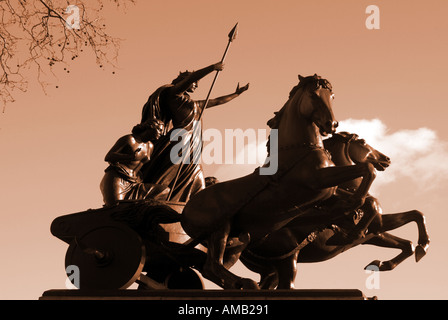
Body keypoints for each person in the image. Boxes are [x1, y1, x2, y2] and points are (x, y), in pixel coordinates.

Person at [139, 62, 249, 202]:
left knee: (194, 178)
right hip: (181, 141)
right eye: (195, 81)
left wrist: (236, 94)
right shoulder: (173, 94)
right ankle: (154, 200)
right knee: (169, 174)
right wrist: (212, 68)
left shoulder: (193, 104)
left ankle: (188, 203)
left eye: (197, 83)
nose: (196, 84)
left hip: (193, 145)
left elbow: (216, 101)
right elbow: (190, 79)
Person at [100, 119, 169, 206]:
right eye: (159, 130)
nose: (162, 133)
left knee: (163, 191)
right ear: (151, 127)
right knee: (116, 208)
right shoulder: (130, 139)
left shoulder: (150, 146)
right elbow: (108, 157)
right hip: (118, 179)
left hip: (135, 183)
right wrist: (129, 157)